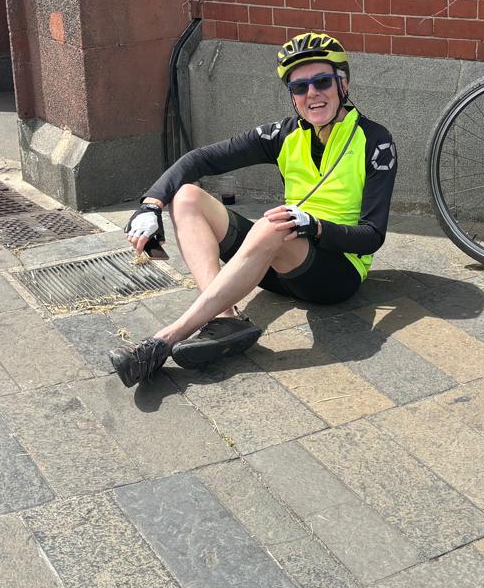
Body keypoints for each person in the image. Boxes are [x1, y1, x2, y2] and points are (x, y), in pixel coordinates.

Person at [109, 32, 398, 386]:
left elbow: (372, 236)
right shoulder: (284, 134)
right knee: (186, 196)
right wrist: (151, 204)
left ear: (343, 83)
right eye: (299, 87)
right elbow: (199, 159)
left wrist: (316, 227)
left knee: (273, 224)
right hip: (277, 261)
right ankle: (225, 319)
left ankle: (164, 340)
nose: (312, 94)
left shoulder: (376, 141)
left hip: (335, 274)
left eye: (322, 81)